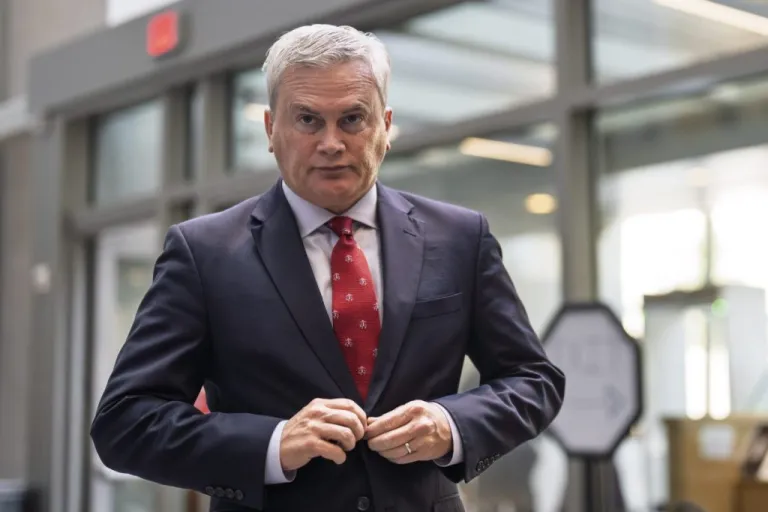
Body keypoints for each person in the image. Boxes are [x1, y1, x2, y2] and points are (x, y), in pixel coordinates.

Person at [90, 24, 565, 512]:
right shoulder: (203, 252)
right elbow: (125, 422)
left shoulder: (460, 239)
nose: (332, 142)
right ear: (272, 129)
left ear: (386, 126)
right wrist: (274, 444)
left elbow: (533, 380)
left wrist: (451, 425)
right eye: (308, 120)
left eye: (353, 118)